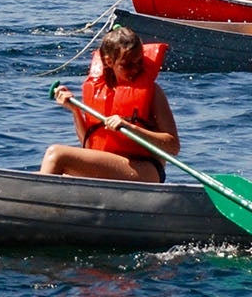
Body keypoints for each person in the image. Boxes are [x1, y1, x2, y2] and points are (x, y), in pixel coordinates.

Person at [41, 26, 180, 182]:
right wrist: (75, 111)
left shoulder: (154, 92)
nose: (135, 69)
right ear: (109, 61)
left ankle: (31, 202)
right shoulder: (99, 90)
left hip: (144, 169)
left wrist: (129, 127)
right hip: (111, 168)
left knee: (56, 154)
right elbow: (88, 143)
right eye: (127, 65)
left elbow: (173, 146)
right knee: (59, 172)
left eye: (139, 62)